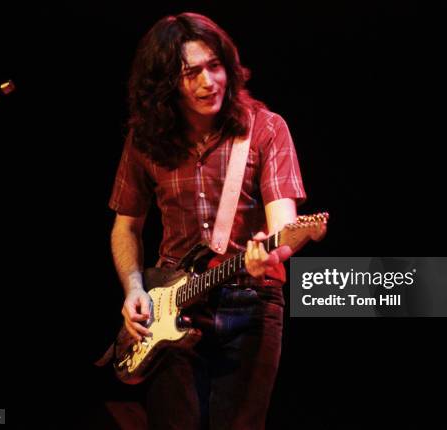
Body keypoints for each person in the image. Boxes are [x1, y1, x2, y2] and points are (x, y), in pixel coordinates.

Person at [108, 12, 306, 429]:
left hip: (250, 305)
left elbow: (284, 228)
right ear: (164, 83)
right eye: (190, 73)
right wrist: (134, 289)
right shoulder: (144, 139)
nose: (208, 82)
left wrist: (270, 251)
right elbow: (126, 226)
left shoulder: (267, 129)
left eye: (215, 66)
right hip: (170, 307)